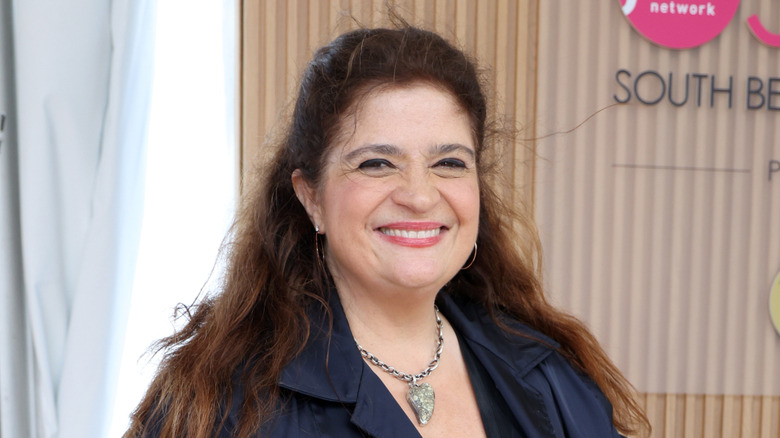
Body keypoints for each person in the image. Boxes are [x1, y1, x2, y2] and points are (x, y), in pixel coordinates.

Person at [126, 22, 650, 438]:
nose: (420, 195)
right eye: (377, 163)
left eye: (449, 162)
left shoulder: (550, 374)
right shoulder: (221, 404)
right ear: (312, 197)